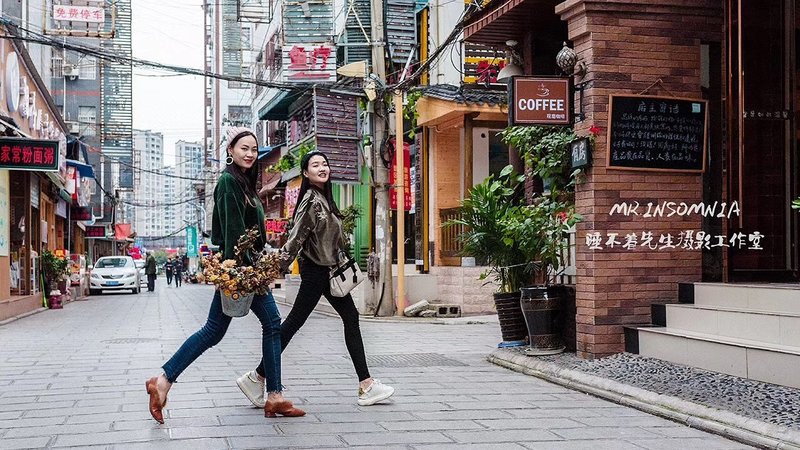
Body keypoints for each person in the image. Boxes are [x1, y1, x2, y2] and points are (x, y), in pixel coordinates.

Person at [145, 127, 303, 424]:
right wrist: (243, 273)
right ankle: (274, 396)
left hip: (245, 268)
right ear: (230, 150)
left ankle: (163, 381)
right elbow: (232, 232)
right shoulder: (229, 182)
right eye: (243, 148)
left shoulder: (244, 185)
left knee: (214, 331)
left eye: (254, 149)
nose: (250, 153)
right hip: (241, 269)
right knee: (271, 323)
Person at [236, 150, 395, 408]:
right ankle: (258, 376)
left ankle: (259, 376)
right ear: (306, 173)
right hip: (315, 272)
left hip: (326, 271)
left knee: (330, 319)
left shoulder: (323, 198)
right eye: (315, 165)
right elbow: (295, 239)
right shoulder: (311, 200)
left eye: (325, 164)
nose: (322, 168)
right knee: (294, 324)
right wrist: (273, 270)